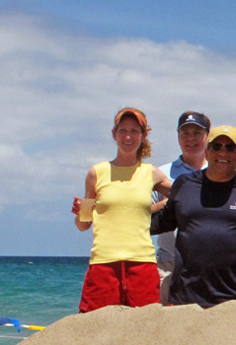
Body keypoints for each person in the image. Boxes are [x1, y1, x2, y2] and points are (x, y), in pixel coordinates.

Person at [147, 125, 236, 307]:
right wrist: (116, 215)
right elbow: (161, 223)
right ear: (207, 152)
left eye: (230, 148)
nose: (223, 153)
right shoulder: (184, 184)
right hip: (186, 297)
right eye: (216, 147)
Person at [72, 107, 172, 312]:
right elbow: (83, 224)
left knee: (144, 329)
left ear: (144, 135)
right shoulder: (96, 173)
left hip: (142, 264)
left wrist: (161, 205)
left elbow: (186, 195)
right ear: (114, 134)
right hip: (103, 264)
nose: (128, 136)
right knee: (95, 329)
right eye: (123, 130)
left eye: (135, 131)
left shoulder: (151, 173)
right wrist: (80, 210)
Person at [156, 111, 211, 304]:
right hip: (169, 263)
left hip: (208, 264)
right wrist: (172, 203)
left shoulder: (220, 172)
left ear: (207, 137)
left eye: (197, 133)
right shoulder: (161, 173)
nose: (190, 138)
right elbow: (145, 213)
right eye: (185, 133)